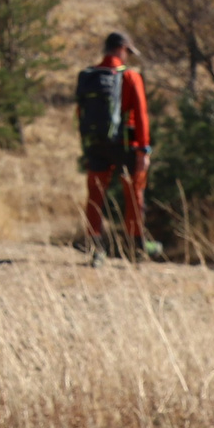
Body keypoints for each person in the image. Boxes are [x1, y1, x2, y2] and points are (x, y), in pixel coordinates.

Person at [78, 30, 156, 259]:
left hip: (95, 143)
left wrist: (87, 144)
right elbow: (141, 115)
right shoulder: (130, 77)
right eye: (128, 52)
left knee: (95, 195)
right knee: (134, 193)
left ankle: (95, 246)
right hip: (125, 144)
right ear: (122, 49)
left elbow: (80, 112)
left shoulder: (89, 76)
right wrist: (143, 149)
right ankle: (136, 247)